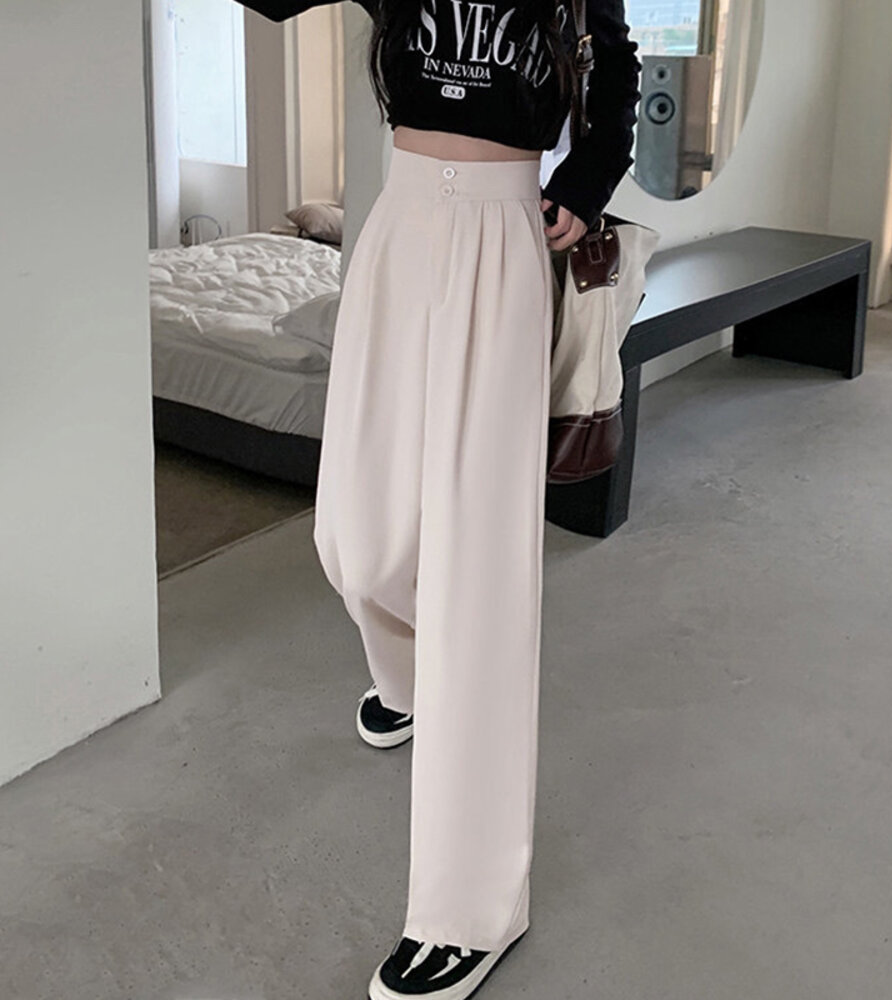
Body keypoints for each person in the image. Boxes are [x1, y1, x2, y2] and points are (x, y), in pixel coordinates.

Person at [237, 1, 640, 997]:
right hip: (400, 224)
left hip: (504, 234)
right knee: (353, 539)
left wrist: (584, 186)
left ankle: (471, 911)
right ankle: (412, 677)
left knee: (476, 578)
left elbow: (615, 68)